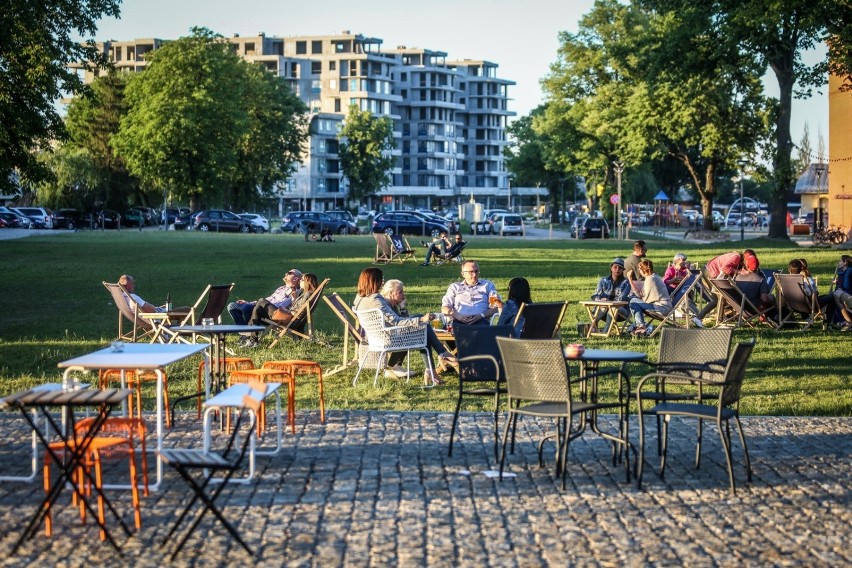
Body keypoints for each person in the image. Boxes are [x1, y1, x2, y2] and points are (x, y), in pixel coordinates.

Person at [353, 268, 453, 383]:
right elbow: (396, 321)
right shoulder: (376, 299)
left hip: (377, 338)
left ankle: (433, 366)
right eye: (381, 279)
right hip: (390, 338)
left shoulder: (359, 298)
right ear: (374, 280)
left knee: (422, 325)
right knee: (424, 328)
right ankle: (438, 358)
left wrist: (410, 314)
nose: (383, 281)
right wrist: (421, 319)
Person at [228, 269, 303, 346]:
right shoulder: (281, 288)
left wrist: (294, 294)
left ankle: (249, 337)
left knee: (247, 307)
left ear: (296, 278)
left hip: (274, 313)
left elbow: (293, 306)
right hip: (262, 307)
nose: (286, 274)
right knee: (232, 306)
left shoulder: (296, 291)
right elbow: (267, 300)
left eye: (289, 273)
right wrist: (249, 303)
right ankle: (245, 335)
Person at [441, 260, 500, 327]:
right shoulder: (455, 287)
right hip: (458, 320)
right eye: (471, 272)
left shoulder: (487, 285)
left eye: (476, 271)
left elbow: (496, 308)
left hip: (481, 321)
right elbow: (445, 308)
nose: (474, 274)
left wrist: (481, 315)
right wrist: (457, 316)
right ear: (463, 274)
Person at [627, 259, 672, 336]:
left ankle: (641, 326)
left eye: (639, 268)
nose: (638, 270)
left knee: (633, 301)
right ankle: (640, 325)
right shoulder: (654, 277)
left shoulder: (650, 279)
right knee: (634, 301)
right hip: (664, 306)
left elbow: (643, 297)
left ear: (641, 269)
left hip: (662, 308)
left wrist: (630, 279)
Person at [696, 250, 743, 320]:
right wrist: (739, 271)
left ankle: (722, 317)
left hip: (710, 271)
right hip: (711, 272)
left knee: (722, 297)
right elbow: (724, 268)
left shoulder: (736, 257)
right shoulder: (736, 257)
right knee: (717, 299)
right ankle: (698, 318)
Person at [589, 258, 631, 332]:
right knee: (603, 307)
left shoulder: (626, 282)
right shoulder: (603, 280)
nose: (617, 269)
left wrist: (609, 302)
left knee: (613, 308)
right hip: (603, 310)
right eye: (615, 267)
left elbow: (622, 298)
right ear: (611, 268)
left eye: (620, 268)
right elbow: (595, 295)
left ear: (622, 270)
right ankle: (593, 327)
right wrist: (600, 300)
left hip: (621, 311)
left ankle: (605, 332)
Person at [118, 274, 190, 314]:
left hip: (147, 316)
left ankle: (172, 332)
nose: (134, 285)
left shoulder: (122, 297)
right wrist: (157, 309)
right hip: (156, 316)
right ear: (127, 285)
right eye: (132, 284)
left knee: (169, 307)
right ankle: (180, 331)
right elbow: (151, 310)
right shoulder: (133, 297)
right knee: (187, 309)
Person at [733, 249, 775, 317]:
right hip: (753, 310)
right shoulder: (761, 279)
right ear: (758, 265)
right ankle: (772, 316)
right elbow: (764, 299)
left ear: (746, 265)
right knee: (771, 297)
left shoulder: (738, 277)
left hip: (739, 309)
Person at [832, 255, 852, 330]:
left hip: (848, 294)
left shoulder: (849, 271)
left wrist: (839, 286)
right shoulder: (842, 271)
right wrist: (838, 281)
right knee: (834, 296)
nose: (839, 263)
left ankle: (844, 321)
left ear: (845, 262)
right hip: (844, 292)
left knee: (836, 297)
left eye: (840, 261)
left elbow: (846, 286)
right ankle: (837, 321)